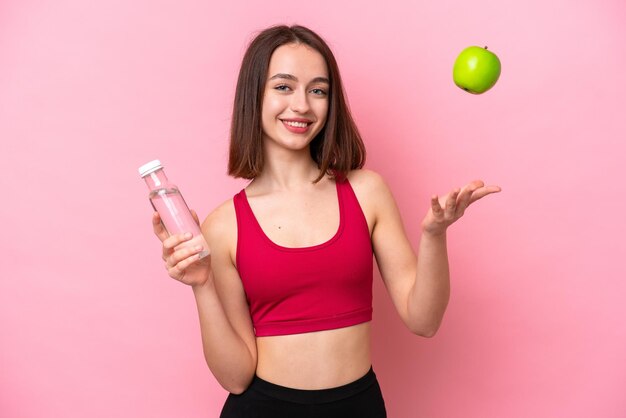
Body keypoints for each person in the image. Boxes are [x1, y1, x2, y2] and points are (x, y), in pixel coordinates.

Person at [151, 24, 500, 417]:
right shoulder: (223, 224)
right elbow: (235, 377)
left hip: (359, 407)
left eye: (317, 90)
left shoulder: (367, 192)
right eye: (283, 87)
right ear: (255, 96)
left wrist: (434, 235)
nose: (302, 104)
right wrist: (201, 285)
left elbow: (424, 321)